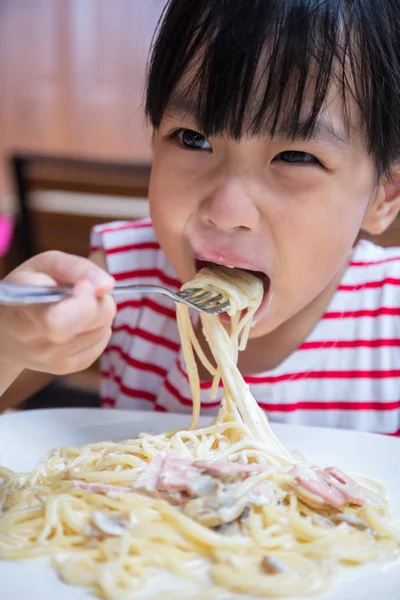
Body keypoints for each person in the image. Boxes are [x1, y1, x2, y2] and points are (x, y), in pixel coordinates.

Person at [0, 0, 399, 435]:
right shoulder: (121, 282)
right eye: (192, 139)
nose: (225, 212)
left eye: (296, 156)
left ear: (384, 194)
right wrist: (11, 341)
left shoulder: (389, 321)